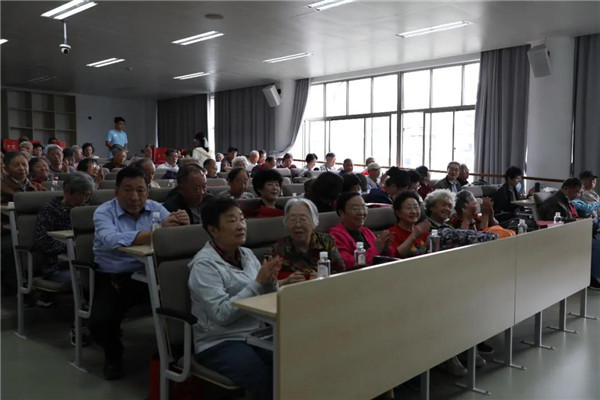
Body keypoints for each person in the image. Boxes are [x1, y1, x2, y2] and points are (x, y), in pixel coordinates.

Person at [90, 167, 190, 380]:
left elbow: (173, 235)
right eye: (128, 190)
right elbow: (111, 240)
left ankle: (179, 354)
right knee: (100, 323)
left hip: (151, 274)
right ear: (116, 192)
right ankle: (113, 356)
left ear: (148, 191)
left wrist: (182, 226)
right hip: (114, 277)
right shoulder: (103, 212)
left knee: (188, 298)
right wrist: (157, 232)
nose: (135, 197)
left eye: (140, 190)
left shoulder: (156, 208)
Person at [189, 197, 281, 400]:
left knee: (290, 360)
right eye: (232, 220)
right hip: (219, 341)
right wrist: (258, 283)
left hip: (255, 334)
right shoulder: (204, 266)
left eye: (242, 219)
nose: (241, 225)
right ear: (213, 230)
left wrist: (271, 282)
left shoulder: (246, 254)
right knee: (261, 376)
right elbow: (222, 315)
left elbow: (264, 298)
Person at [268, 198, 345, 285]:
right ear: (286, 223)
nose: (298, 225)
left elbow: (341, 273)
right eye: (292, 220)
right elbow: (265, 284)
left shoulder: (326, 241)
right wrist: (285, 282)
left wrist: (323, 279)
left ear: (314, 223)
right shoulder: (276, 250)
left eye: (303, 219)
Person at [34, 173, 94, 283]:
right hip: (57, 266)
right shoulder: (49, 210)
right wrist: (71, 247)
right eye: (82, 194)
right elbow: (42, 241)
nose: (86, 199)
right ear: (67, 192)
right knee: (89, 279)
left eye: (88, 195)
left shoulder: (87, 209)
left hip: (86, 261)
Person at [329, 192, 392, 269]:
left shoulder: (366, 231)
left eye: (363, 208)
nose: (361, 212)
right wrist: (377, 249)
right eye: (355, 209)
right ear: (342, 213)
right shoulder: (335, 235)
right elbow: (347, 263)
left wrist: (385, 249)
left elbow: (382, 259)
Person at [388, 191, 430, 258]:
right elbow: (396, 256)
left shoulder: (421, 230)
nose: (413, 211)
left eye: (416, 207)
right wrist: (414, 236)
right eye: (408, 208)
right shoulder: (392, 234)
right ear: (398, 213)